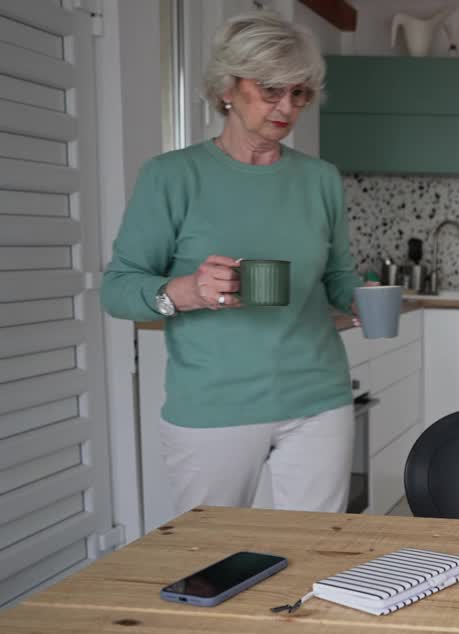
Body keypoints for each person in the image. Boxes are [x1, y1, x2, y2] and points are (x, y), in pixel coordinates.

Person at [102, 12, 363, 514]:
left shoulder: (320, 179)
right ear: (228, 87)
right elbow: (117, 288)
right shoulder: (171, 176)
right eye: (270, 90)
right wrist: (188, 291)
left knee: (315, 553)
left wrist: (360, 296)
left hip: (319, 397)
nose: (287, 107)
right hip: (215, 404)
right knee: (211, 562)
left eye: (300, 93)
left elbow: (337, 275)